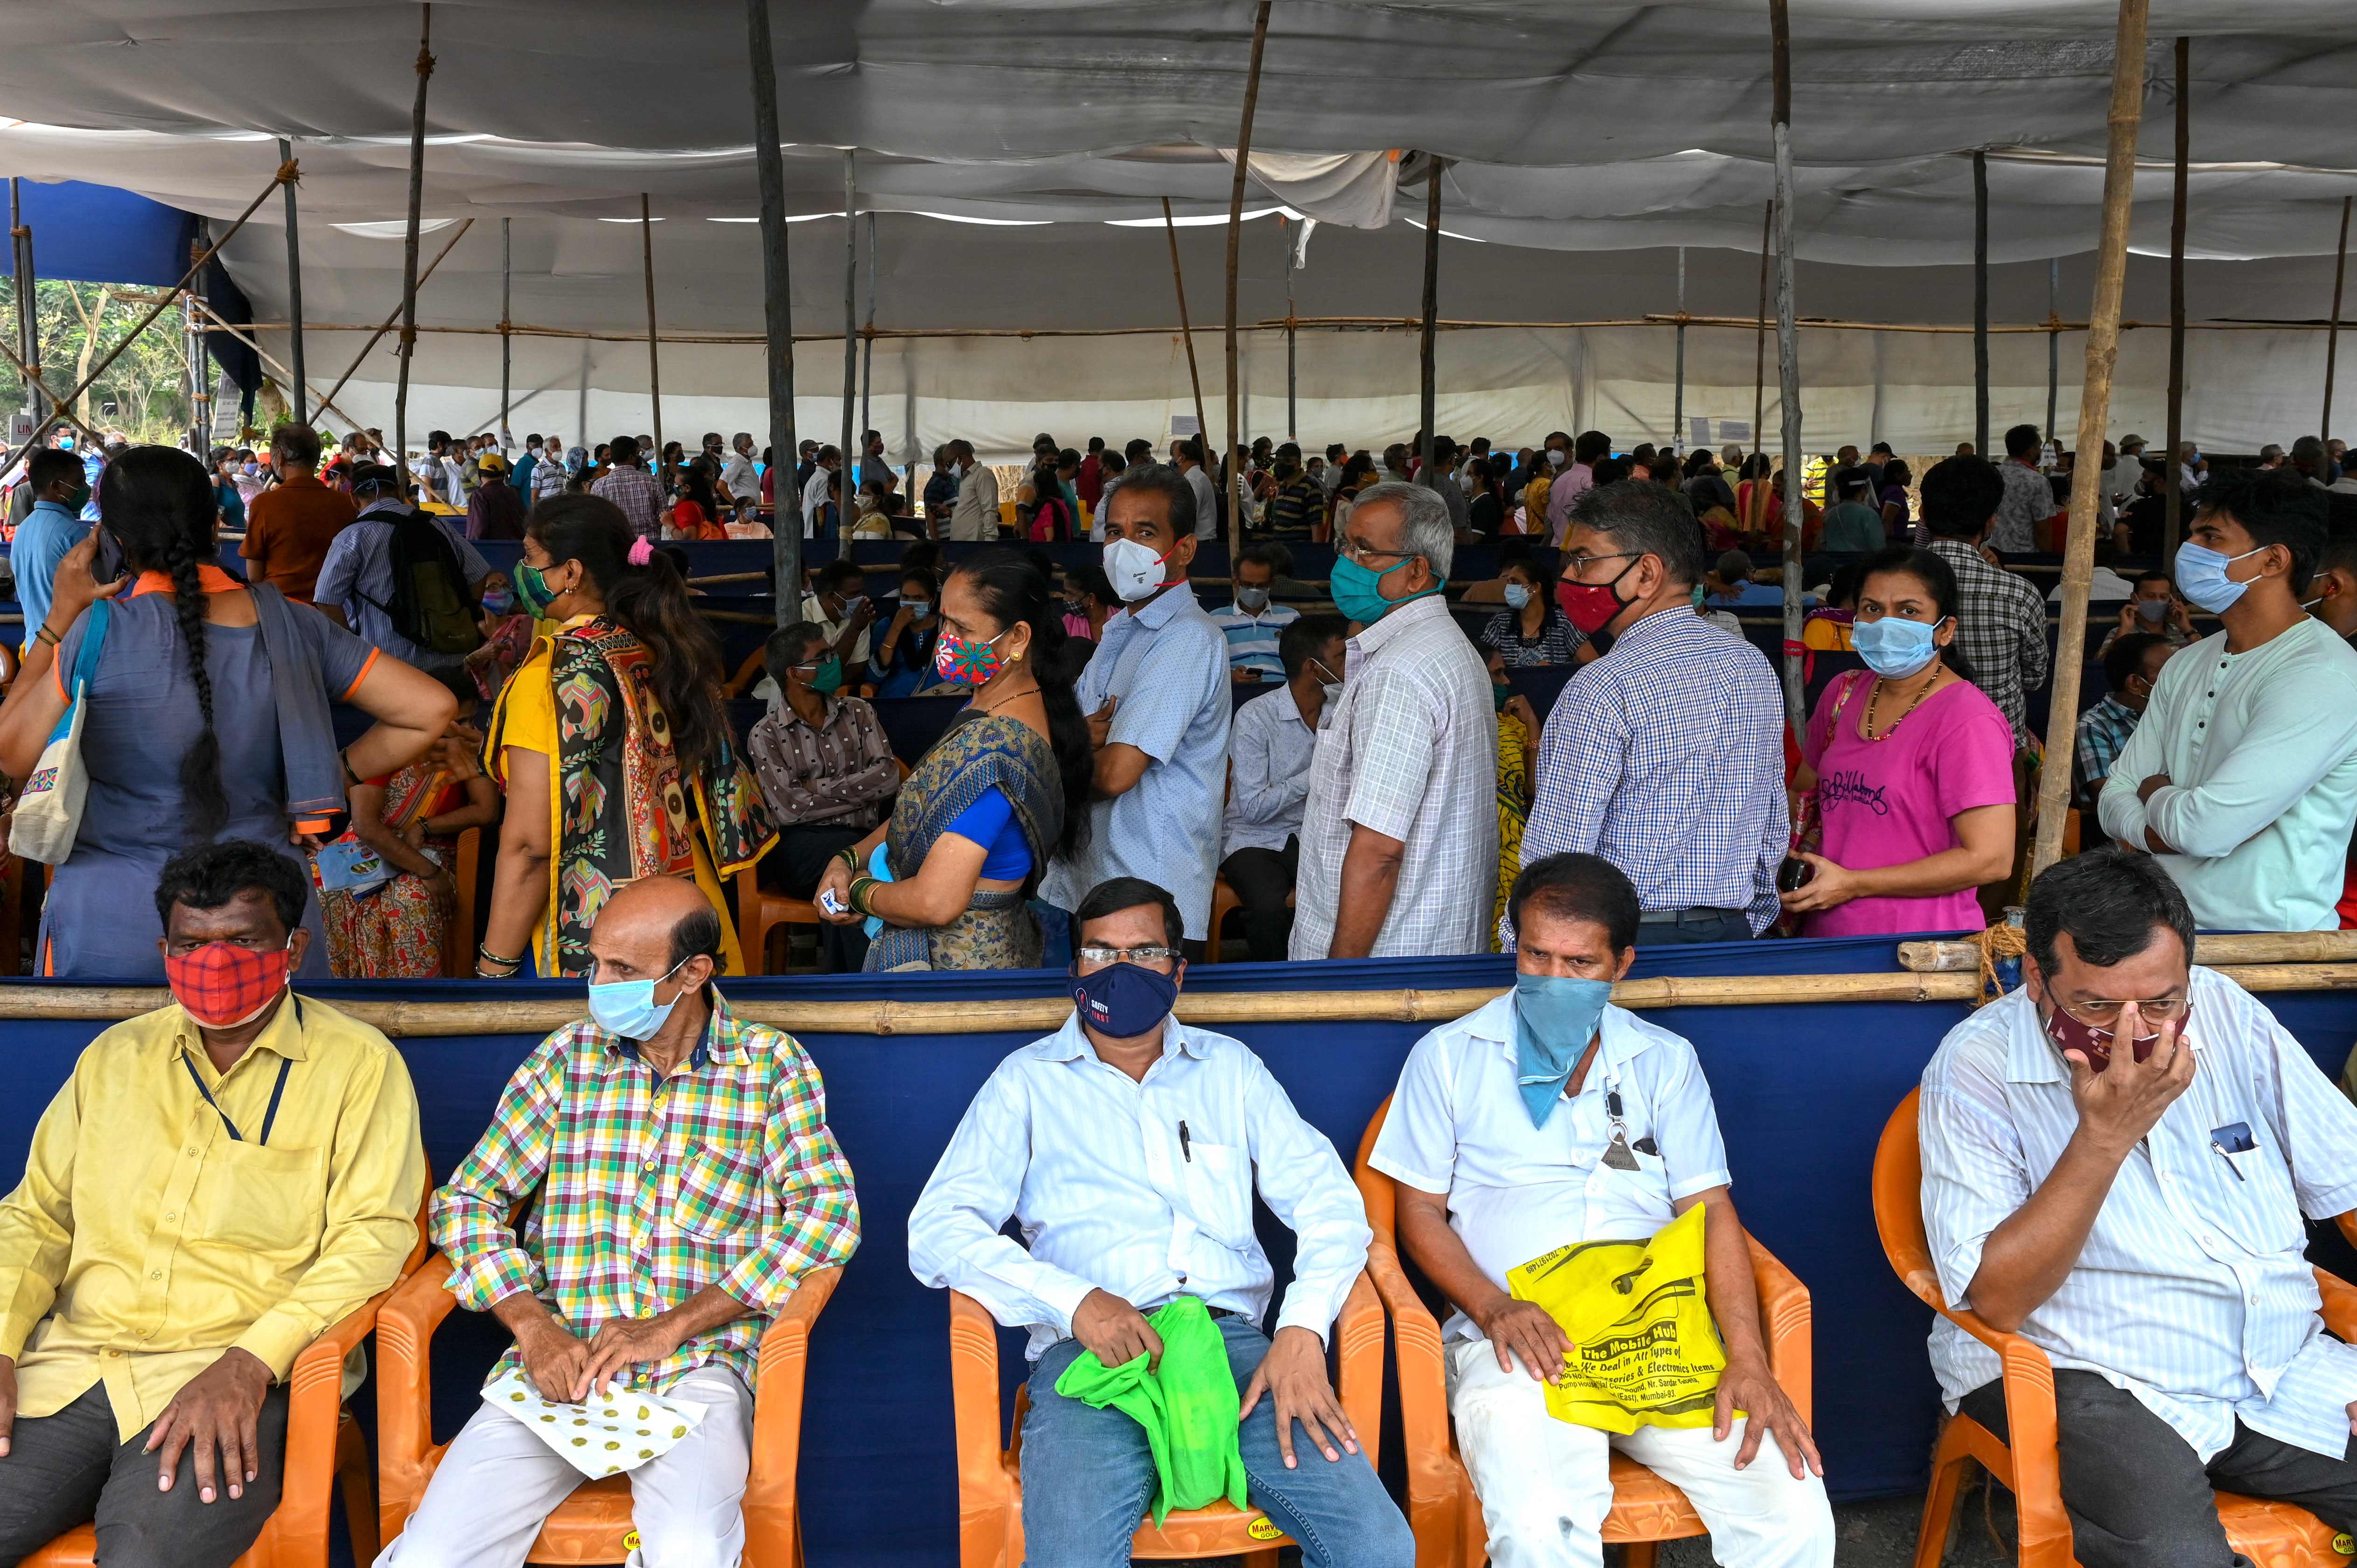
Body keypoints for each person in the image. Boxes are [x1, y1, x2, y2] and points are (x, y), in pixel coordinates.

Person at [906, 876, 1415, 1568]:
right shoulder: (1025, 1083)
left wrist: (1299, 1332)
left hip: (1238, 1358)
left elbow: (1330, 1205)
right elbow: (936, 1228)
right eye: (1100, 952)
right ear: (1074, 970)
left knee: (1378, 1547)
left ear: (1178, 970)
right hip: (1091, 1362)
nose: (1119, 969)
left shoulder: (1229, 1071)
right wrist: (1074, 1301)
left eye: (1143, 953)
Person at [1372, 852, 1833, 1568]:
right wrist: (1494, 1309)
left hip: (1660, 1335)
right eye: (1535, 956)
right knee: (1537, 1528)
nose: (1552, 980)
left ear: (1622, 964)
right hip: (1523, 1343)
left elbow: (1710, 1210)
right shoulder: (1449, 1057)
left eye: (1579, 964)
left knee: (1792, 1506)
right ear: (1512, 944)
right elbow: (1419, 1214)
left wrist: (1746, 1357)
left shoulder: (1663, 1061)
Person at [382, 876, 857, 1568]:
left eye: (623, 971)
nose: (598, 985)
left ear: (693, 973)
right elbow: (466, 1202)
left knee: (691, 1551)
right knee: (431, 1557)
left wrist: (674, 1324)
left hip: (698, 1369)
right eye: (596, 963)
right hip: (560, 1370)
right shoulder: (566, 1061)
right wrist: (533, 1327)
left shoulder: (769, 1067)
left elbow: (827, 1216)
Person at [1918, 849, 2357, 1568]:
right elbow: (1996, 1300)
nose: (2136, 1033)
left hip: (2272, 1361)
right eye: (2095, 1007)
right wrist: (2102, 1140)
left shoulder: (2221, 1011)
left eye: (2159, 1004)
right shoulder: (1973, 1068)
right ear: (2035, 978)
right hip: (2080, 1370)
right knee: (2173, 1556)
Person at [0, 841, 425, 1568]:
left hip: (234, 1379)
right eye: (193, 943)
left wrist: (248, 1363)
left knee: (147, 1556)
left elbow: (372, 1240)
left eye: (242, 940)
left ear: (292, 948)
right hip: (73, 1367)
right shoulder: (114, 1058)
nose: (215, 961)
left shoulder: (358, 1065)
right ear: (165, 950)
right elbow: (37, 1216)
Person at [0, 449, 455, 978]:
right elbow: (432, 708)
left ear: (112, 540)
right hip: (263, 922)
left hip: (117, 922)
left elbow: (12, 754)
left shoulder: (97, 631)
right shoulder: (295, 624)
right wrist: (334, 774)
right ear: (215, 526)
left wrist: (58, 620)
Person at [477, 496, 774, 978]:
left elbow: (530, 845)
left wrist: (494, 966)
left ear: (570, 572)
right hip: (681, 903)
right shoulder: (650, 647)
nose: (521, 570)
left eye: (530, 557)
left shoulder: (550, 676)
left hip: (600, 934)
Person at [1522, 481, 1786, 945]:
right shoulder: (1751, 665)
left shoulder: (1601, 687)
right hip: (1730, 930)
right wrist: (1749, 919)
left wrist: (1523, 949)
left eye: (1583, 559)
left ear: (1646, 573)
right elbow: (1771, 822)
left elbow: (1559, 858)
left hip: (1623, 943)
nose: (1569, 577)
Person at [2098, 468, 2357, 931]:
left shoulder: (2321, 674)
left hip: (2268, 945)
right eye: (2193, 534)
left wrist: (2153, 790)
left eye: (2210, 537)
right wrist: (2165, 825)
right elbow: (2112, 797)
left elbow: (2206, 827)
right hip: (2160, 930)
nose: (2189, 550)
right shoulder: (2184, 662)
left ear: (2272, 561)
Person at [814, 551, 1089, 970]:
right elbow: (932, 808)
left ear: (1017, 638)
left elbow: (935, 901)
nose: (946, 638)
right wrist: (847, 858)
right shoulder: (995, 704)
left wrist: (857, 893)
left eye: (962, 628)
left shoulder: (998, 748)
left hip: (955, 971)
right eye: (945, 620)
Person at [1292, 482, 1496, 959]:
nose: (1346, 563)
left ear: (1416, 572)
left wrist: (1339, 984)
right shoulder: (1446, 647)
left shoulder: (1399, 673)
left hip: (1388, 960)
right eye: (1345, 545)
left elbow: (1378, 852)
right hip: (1435, 942)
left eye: (1364, 550)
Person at [1037, 466, 1232, 955]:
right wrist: (1076, 742)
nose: (1125, 548)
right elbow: (1069, 734)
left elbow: (1115, 773)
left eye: (1145, 533)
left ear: (1183, 548)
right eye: (1114, 532)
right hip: (1094, 874)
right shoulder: (1121, 632)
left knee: (1137, 1028)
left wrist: (1053, 762)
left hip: (1147, 887)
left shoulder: (1185, 638)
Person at [1782, 547, 2018, 937]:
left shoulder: (1967, 720)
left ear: (1944, 630)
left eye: (1908, 611)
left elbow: (1991, 860)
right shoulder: (1842, 693)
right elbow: (1805, 789)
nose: (1885, 623)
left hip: (1917, 950)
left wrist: (1855, 883)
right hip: (1823, 934)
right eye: (1872, 609)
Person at [322, 678, 502, 978]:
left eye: (471, 720)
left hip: (434, 850)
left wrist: (426, 826)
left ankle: (421, 1000)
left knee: (409, 899)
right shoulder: (386, 745)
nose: (469, 730)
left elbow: (487, 810)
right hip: (368, 847)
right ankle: (348, 998)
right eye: (458, 722)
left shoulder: (467, 749)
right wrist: (428, 873)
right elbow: (367, 826)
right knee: (324, 894)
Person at [746, 622, 899, 973]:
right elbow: (790, 810)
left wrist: (815, 788)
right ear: (794, 673)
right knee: (855, 871)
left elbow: (888, 778)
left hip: (865, 840)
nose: (834, 661)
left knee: (849, 878)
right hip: (800, 848)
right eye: (822, 656)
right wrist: (858, 791)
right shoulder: (766, 734)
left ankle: (849, 989)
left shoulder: (859, 713)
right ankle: (864, 986)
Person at [1220, 616, 1345, 963]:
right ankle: (1275, 992)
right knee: (1267, 908)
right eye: (1341, 657)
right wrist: (1316, 773)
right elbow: (1254, 808)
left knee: (1345, 895)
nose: (1350, 665)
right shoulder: (1256, 717)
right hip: (1253, 838)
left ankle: (1330, 986)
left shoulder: (1342, 712)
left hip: (1316, 833)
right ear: (1313, 667)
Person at [313, 463, 496, 683]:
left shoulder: (352, 537)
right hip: (448, 654)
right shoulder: (437, 525)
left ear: (353, 497)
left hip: (386, 661)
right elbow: (479, 573)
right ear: (400, 490)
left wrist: (352, 646)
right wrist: (465, 612)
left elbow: (326, 600)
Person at [1917, 454, 2051, 751]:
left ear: (1923, 514)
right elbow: (2034, 678)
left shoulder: (1888, 589)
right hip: (1997, 747)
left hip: (1913, 743)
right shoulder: (2019, 593)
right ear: (1992, 520)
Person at [238, 426, 357, 602]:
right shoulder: (346, 504)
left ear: (280, 457)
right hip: (335, 610)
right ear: (316, 457)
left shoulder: (265, 505)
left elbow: (255, 576)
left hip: (283, 609)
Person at [2074, 631, 2173, 814]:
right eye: (2167, 672)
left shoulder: (2176, 713)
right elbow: (2106, 797)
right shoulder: (2093, 726)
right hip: (2135, 830)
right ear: (2135, 683)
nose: (2177, 679)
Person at [9, 448, 92, 654]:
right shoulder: (75, 534)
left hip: (33, 648)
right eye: (79, 482)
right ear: (56, 487)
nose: (85, 488)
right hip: (67, 650)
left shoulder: (23, 530)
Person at [1478, 553, 1591, 682]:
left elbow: (1591, 666)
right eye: (1508, 582)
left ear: (1535, 588)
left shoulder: (1563, 623)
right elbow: (1481, 664)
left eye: (1516, 582)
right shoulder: (1500, 623)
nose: (1509, 587)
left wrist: (1555, 673)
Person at [1209, 543, 1302, 684]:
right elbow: (1206, 668)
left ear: (1272, 584)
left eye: (1261, 586)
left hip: (1279, 691)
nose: (1254, 590)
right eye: (1247, 585)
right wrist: (1231, 676)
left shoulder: (1291, 618)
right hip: (1236, 692)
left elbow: (1301, 663)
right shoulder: (1215, 620)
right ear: (1236, 581)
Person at [868, 564, 944, 697]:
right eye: (906, 597)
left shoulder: (946, 627)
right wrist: (896, 628)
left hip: (939, 698)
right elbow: (874, 676)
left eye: (919, 598)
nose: (911, 604)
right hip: (897, 701)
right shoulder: (885, 626)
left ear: (933, 600)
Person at [1987, 422, 2054, 556]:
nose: (2040, 451)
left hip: (1990, 554)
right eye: (2039, 447)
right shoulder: (2038, 482)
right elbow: (2042, 529)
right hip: (2024, 558)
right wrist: (2048, 556)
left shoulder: (1989, 475)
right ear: (2030, 450)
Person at [2097, 568, 2196, 656]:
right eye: (2150, 596)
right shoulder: (2121, 633)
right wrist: (2124, 629)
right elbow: (2100, 667)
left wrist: (2187, 627)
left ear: (2171, 600)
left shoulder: (2184, 632)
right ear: (2135, 598)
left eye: (2163, 597)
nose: (2157, 601)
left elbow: (2207, 662)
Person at [587, 434, 663, 540]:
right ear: (631, 458)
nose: (639, 457)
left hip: (617, 545)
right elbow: (663, 517)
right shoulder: (652, 482)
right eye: (638, 454)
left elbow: (597, 520)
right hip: (649, 545)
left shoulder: (600, 485)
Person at [1546, 431, 1609, 544]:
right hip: (1580, 553)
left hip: (1557, 549)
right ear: (1601, 458)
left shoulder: (1558, 482)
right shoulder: (1592, 483)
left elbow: (1551, 520)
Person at [1818, 466, 1886, 553]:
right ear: (1863, 490)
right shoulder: (1869, 514)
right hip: (1860, 565)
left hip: (1833, 564)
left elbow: (1824, 542)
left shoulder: (1831, 513)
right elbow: (1878, 547)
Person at [1262, 444, 1325, 539]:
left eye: (1287, 461)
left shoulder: (1310, 487)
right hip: (1280, 547)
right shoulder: (1282, 485)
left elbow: (1316, 526)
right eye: (1278, 461)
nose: (1280, 465)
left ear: (1298, 464)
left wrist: (1316, 551)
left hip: (1299, 549)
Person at [944, 439, 1000, 542]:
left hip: (975, 545)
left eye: (950, 464)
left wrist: (990, 541)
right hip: (963, 544)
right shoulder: (965, 479)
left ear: (960, 458)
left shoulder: (982, 474)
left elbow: (990, 510)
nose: (949, 469)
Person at [1171, 438, 1220, 542]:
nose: (1173, 460)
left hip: (1200, 542)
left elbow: (1190, 513)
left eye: (1174, 456)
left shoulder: (1193, 480)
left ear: (1182, 458)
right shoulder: (1197, 476)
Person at [669, 461, 728, 540]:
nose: (674, 486)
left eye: (677, 484)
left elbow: (688, 539)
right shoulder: (700, 503)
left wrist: (670, 524)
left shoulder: (687, 507)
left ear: (687, 488)